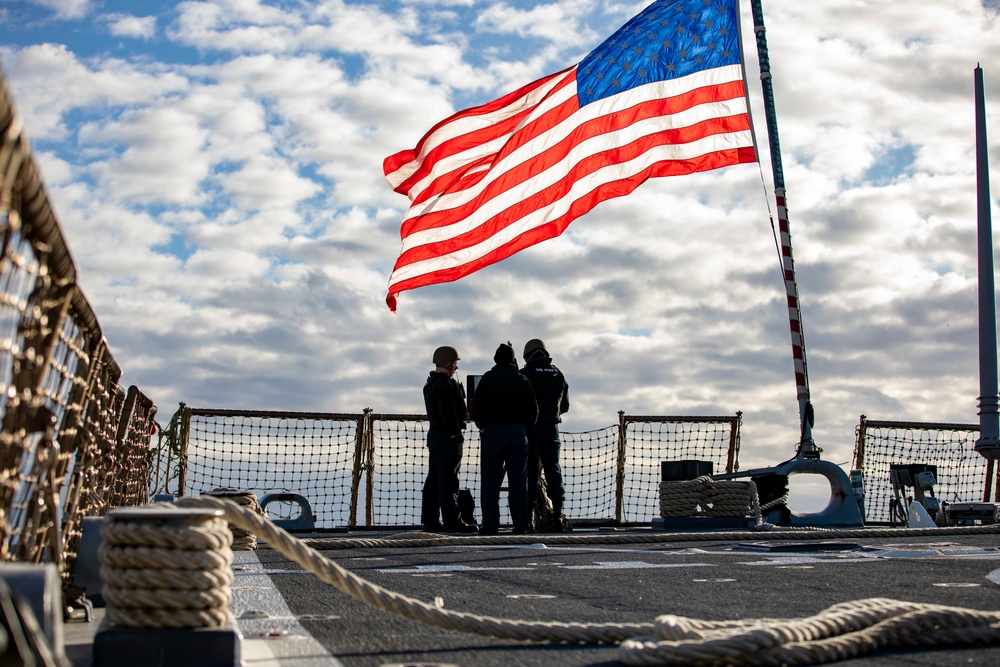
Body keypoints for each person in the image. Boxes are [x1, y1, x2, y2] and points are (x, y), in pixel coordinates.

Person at [471, 342, 538, 535]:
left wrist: (482, 426)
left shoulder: (488, 379)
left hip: (493, 432)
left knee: (491, 481)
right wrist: (524, 429)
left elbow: (477, 408)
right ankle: (521, 524)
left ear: (495, 359)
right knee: (518, 481)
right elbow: (533, 411)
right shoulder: (523, 379)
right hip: (518, 432)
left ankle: (491, 525)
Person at [421, 345, 477, 533]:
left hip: (435, 435)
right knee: (449, 480)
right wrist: (455, 432)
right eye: (454, 364)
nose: (456, 368)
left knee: (434, 479)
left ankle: (430, 520)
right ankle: (453, 521)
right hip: (447, 436)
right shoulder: (445, 384)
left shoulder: (430, 383)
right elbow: (447, 410)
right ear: (448, 364)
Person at [521, 338, 570, 532]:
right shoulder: (558, 374)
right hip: (552, 428)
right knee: (554, 471)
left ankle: (529, 520)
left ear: (527, 355)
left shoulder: (525, 374)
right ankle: (557, 516)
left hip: (532, 429)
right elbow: (564, 406)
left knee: (531, 472)